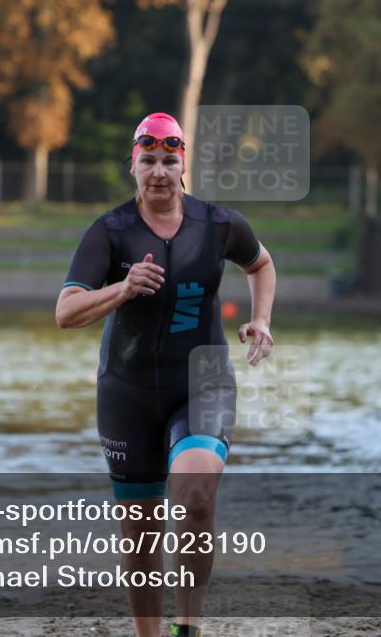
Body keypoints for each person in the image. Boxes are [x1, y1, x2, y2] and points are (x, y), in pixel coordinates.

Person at [56, 112, 277, 637]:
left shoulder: (220, 224)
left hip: (202, 381)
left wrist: (262, 319)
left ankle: (188, 627)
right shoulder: (109, 232)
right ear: (133, 165)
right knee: (141, 531)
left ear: (183, 166)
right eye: (148, 161)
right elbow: (66, 312)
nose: (158, 171)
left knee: (196, 493)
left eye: (168, 161)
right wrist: (124, 288)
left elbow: (261, 265)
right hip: (126, 392)